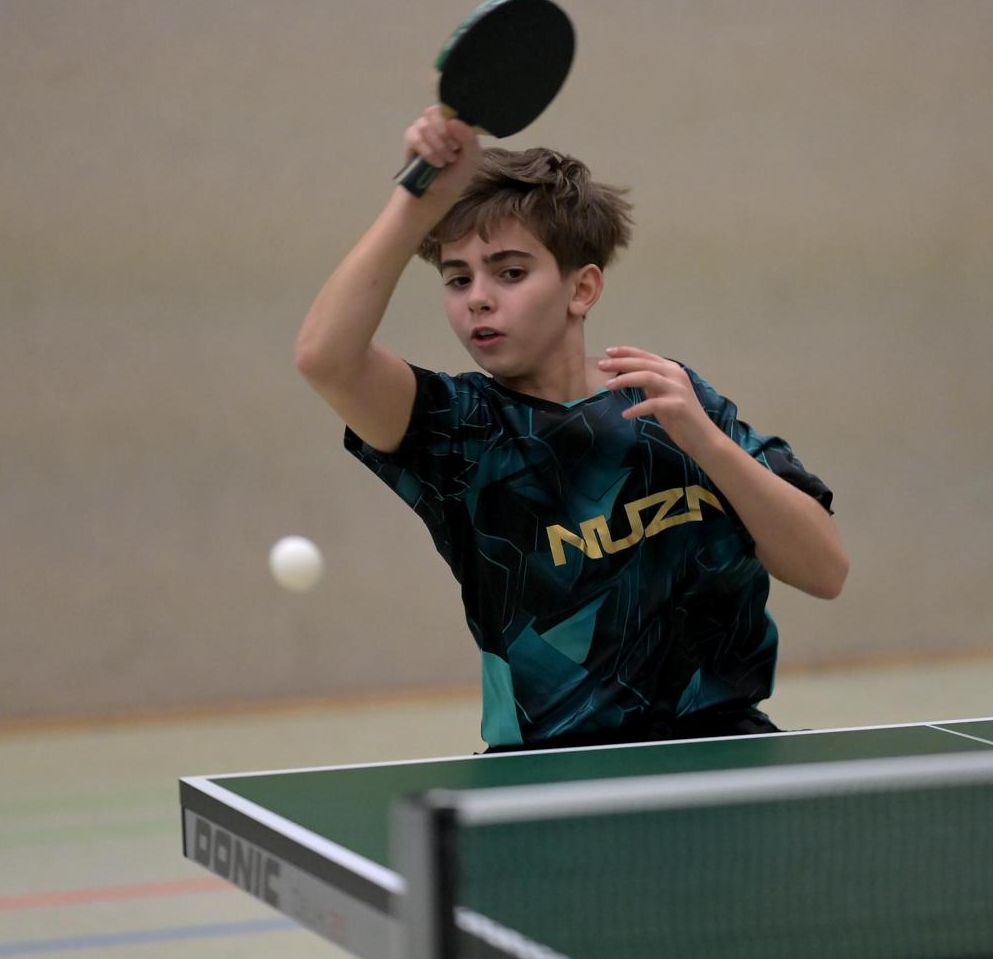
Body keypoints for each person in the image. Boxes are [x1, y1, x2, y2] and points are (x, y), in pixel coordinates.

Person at [295, 107, 846, 754]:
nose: (478, 297)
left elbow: (825, 570)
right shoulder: (460, 429)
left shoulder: (673, 399)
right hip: (549, 770)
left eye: (510, 272)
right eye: (457, 278)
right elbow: (325, 358)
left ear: (581, 290)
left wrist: (707, 441)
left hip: (724, 748)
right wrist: (417, 202)